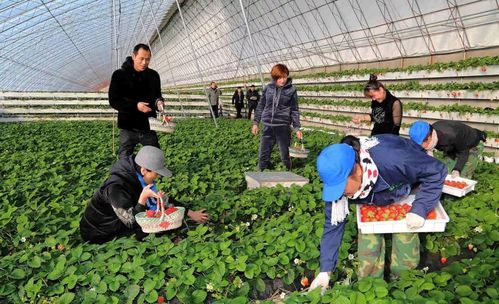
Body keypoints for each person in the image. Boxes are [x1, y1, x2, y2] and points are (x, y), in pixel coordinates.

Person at [310, 134, 447, 294]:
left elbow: (437, 170)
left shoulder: (397, 159)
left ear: (358, 171)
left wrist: (420, 208)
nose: (340, 194)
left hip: (406, 183)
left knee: (405, 236)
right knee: (369, 238)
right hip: (374, 195)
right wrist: (325, 270)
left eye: (342, 188)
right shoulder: (338, 178)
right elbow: (333, 225)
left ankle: (404, 286)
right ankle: (371, 290)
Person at [80, 146, 210, 244]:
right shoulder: (116, 188)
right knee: (160, 228)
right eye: (156, 173)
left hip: (118, 223)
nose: (158, 176)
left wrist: (190, 213)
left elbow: (161, 200)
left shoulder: (137, 176)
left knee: (166, 220)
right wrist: (142, 199)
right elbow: (131, 221)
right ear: (143, 170)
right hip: (100, 233)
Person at [109, 43, 165, 159]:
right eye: (141, 59)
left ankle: (151, 176)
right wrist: (135, 106)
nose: (144, 62)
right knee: (125, 159)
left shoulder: (153, 76)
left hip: (148, 126)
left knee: (154, 158)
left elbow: (157, 96)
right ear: (134, 56)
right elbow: (114, 100)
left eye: (148, 59)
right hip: (128, 126)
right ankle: (127, 175)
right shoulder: (120, 75)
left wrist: (159, 103)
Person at [252, 64, 302, 170]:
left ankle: (289, 172)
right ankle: (261, 171)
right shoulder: (268, 88)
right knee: (263, 153)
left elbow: (294, 110)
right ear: (274, 78)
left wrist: (297, 128)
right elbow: (261, 105)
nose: (282, 80)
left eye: (284, 77)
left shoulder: (291, 90)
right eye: (279, 78)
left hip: (282, 126)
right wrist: (256, 122)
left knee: (285, 154)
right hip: (267, 126)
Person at [409, 120, 487, 179]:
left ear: (429, 136)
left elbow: (464, 152)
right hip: (453, 146)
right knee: (446, 174)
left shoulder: (452, 135)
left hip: (470, 145)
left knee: (461, 177)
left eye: (422, 143)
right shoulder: (431, 136)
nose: (421, 146)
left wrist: (457, 169)